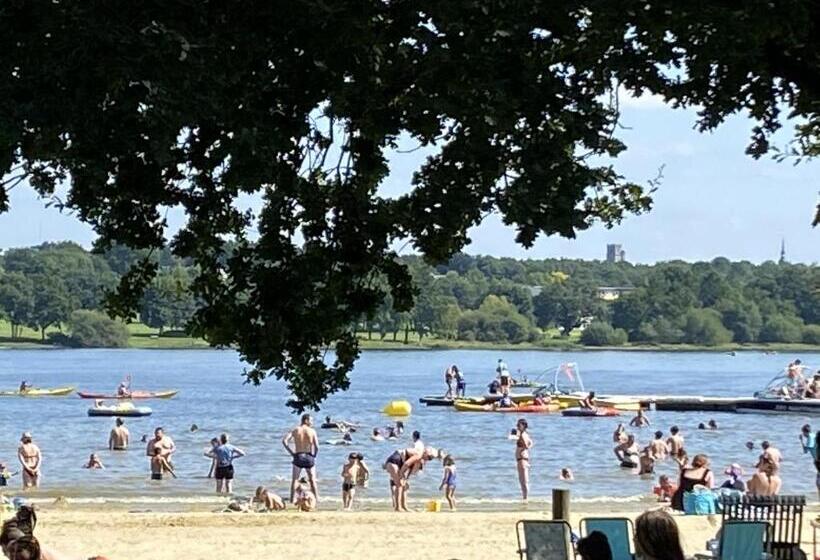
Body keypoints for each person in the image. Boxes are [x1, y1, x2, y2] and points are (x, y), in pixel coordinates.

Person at [282, 413, 320, 504]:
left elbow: (284, 441)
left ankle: (292, 499)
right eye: (311, 420)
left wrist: (291, 453)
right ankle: (316, 499)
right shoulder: (312, 431)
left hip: (298, 455)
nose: (312, 422)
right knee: (312, 480)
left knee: (295, 480)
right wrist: (314, 455)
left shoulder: (295, 430)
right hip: (308, 456)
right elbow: (317, 446)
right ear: (306, 420)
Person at [515, 418, 532, 502]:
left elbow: (526, 445)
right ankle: (525, 497)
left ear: (524, 426)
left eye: (519, 425)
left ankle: (525, 498)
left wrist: (522, 450)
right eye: (517, 425)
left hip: (522, 459)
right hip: (523, 459)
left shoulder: (522, 435)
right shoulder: (525, 434)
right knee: (523, 480)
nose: (517, 426)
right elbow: (531, 443)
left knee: (523, 480)